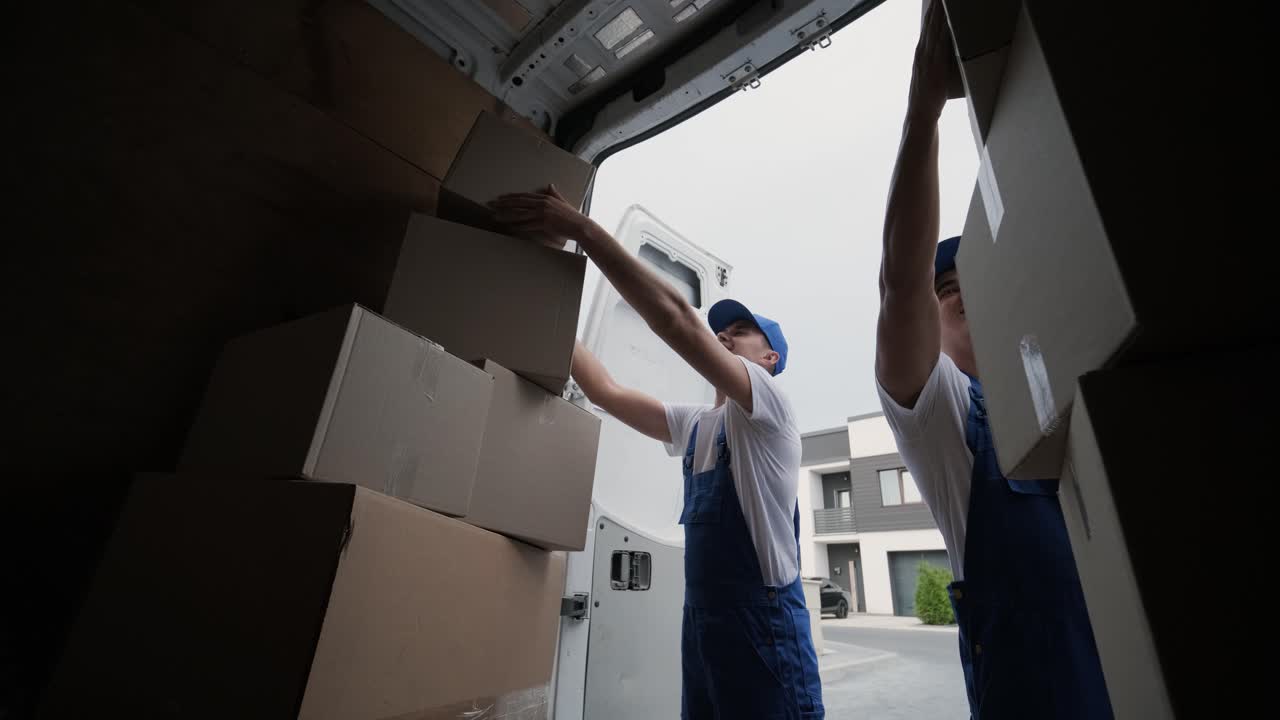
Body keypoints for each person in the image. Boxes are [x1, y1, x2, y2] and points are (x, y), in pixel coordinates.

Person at [491, 188, 824, 720]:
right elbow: (604, 390)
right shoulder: (696, 425)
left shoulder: (770, 412)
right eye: (721, 330)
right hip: (705, 627)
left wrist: (583, 231)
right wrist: (539, 289)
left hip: (766, 633)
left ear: (770, 358)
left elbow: (675, 319)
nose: (724, 336)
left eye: (741, 332)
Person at [874, 3, 1113, 718]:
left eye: (976, 279)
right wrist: (923, 108)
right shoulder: (948, 420)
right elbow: (900, 283)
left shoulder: (1075, 388)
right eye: (947, 288)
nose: (961, 293)